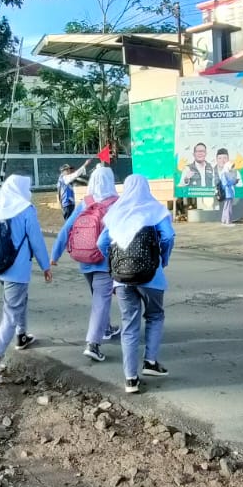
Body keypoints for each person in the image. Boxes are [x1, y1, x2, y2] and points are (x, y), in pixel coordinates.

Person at [97, 175, 175, 394]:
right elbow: (168, 236)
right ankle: (150, 362)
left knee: (129, 325)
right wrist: (163, 259)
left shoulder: (116, 212)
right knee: (155, 316)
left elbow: (101, 242)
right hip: (152, 276)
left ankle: (130, 379)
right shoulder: (156, 210)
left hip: (121, 279)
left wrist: (113, 265)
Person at [0, 175, 52, 383]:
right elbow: (36, 240)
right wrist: (45, 266)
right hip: (16, 270)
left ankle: (22, 336)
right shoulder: (26, 209)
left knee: (19, 301)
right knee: (11, 312)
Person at [51, 166, 121, 362]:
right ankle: (93, 344)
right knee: (101, 300)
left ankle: (106, 328)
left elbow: (66, 229)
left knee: (98, 297)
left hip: (84, 259)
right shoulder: (115, 203)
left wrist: (54, 255)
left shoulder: (86, 203)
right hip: (104, 261)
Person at [214, 148, 241, 225]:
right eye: (231, 166)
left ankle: (225, 220)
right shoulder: (224, 174)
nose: (232, 168)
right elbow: (225, 183)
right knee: (227, 207)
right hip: (227, 193)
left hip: (230, 193)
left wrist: (234, 182)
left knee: (228, 207)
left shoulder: (229, 173)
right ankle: (227, 221)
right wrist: (233, 182)